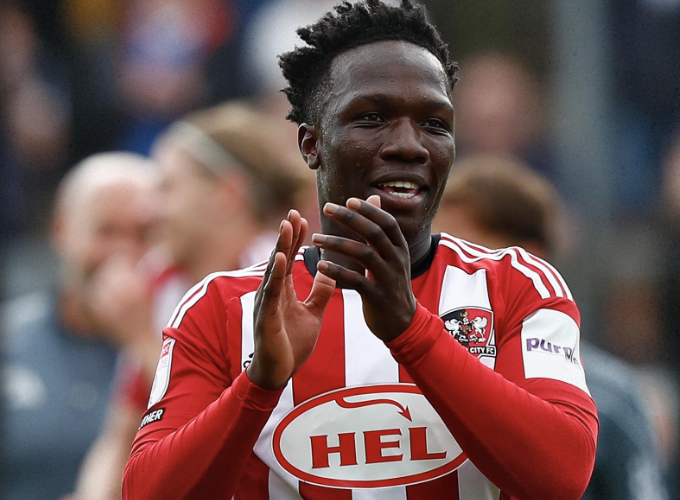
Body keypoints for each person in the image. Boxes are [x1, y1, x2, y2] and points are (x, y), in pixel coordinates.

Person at [122, 2, 598, 499]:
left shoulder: (516, 284)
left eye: (435, 123)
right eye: (372, 118)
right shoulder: (221, 308)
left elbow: (562, 475)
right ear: (311, 144)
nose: (409, 145)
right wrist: (258, 385)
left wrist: (412, 333)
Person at [66, 101, 311, 500]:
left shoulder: (288, 284)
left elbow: (242, 443)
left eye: (167, 187)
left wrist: (141, 339)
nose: (148, 211)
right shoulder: (161, 281)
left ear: (226, 194)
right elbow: (122, 435)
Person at [432, 154, 670, 500]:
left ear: (528, 257)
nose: (447, 270)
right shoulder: (404, 374)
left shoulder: (609, 396)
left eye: (465, 250)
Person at [0, 152, 158, 500]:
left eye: (143, 235)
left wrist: (142, 340)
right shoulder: (10, 340)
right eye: (107, 231)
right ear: (61, 230)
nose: (125, 253)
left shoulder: (189, 345)